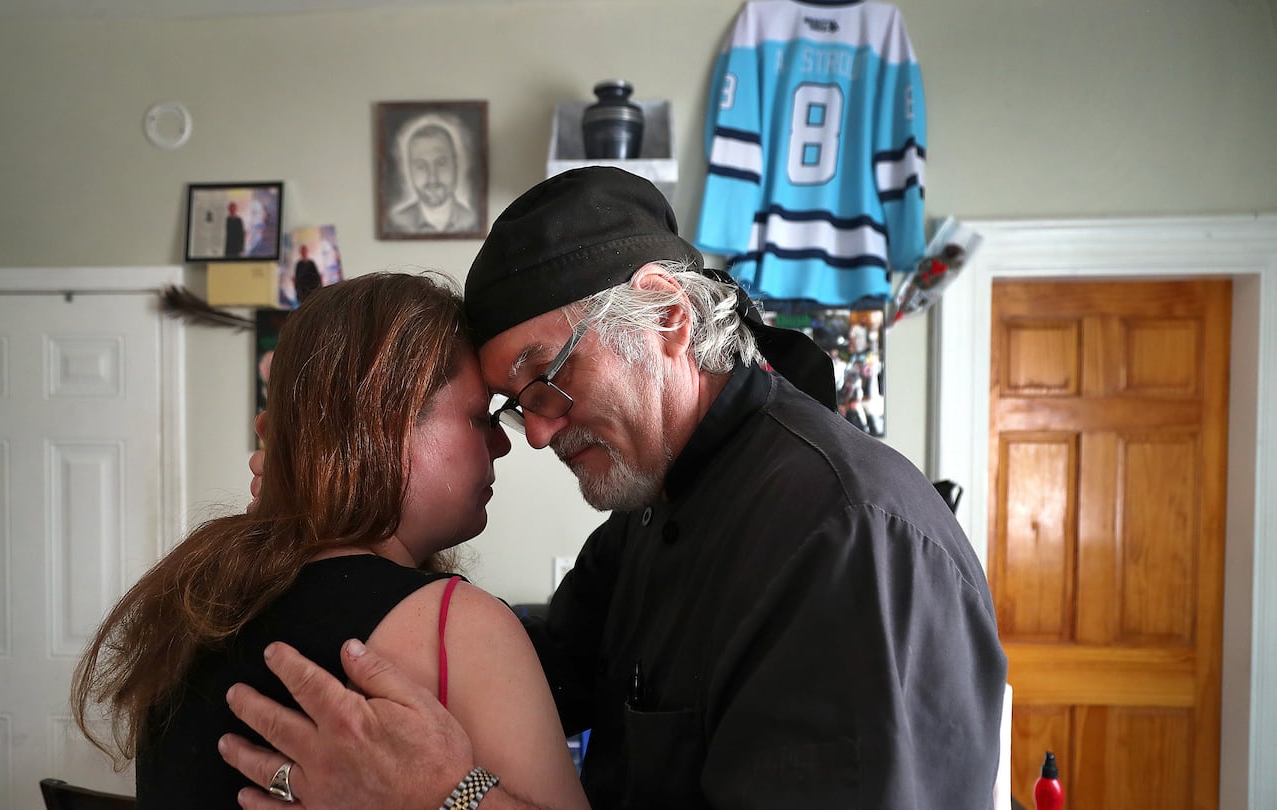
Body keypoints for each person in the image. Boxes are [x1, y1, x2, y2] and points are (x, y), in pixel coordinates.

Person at [221, 167, 1007, 809]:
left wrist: (447, 799)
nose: (533, 431)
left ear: (666, 314)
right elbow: (531, 674)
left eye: (544, 379)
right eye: (514, 403)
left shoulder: (844, 536)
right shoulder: (649, 515)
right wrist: (323, 523)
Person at [70, 273, 588, 810]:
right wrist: (456, 798)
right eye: (481, 417)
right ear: (388, 420)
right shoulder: (458, 627)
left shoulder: (196, 606)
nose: (505, 443)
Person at [389, 123, 479, 234]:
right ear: (409, 169)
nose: (432, 177)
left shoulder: (471, 219)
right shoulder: (396, 221)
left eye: (441, 163)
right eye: (421, 166)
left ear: (455, 164)